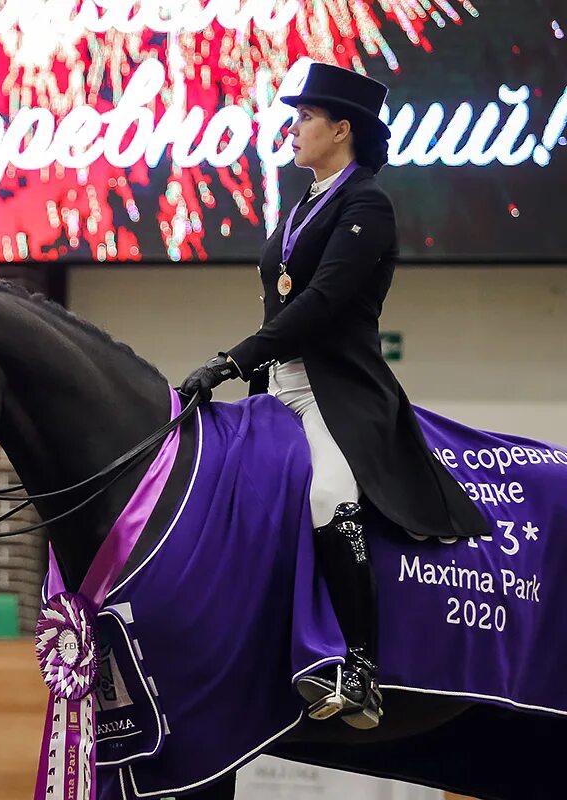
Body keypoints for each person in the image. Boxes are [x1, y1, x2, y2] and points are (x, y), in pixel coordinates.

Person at [179, 63, 487, 729]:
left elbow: (320, 304)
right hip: (277, 390)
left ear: (341, 129)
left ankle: (362, 668)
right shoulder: (305, 204)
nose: (292, 130)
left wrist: (233, 359)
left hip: (334, 397)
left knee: (326, 494)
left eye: (305, 119)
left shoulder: (366, 204)